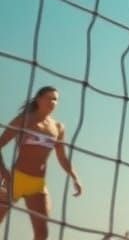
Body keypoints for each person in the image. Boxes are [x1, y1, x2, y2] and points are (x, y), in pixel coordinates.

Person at [0, 86, 83, 239]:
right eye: (48, 98)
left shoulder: (58, 127)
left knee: (42, 234)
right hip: (15, 179)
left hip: (37, 184)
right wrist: (3, 171)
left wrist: (74, 177)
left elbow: (62, 157)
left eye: (55, 99)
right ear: (38, 99)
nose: (52, 102)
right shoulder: (24, 119)